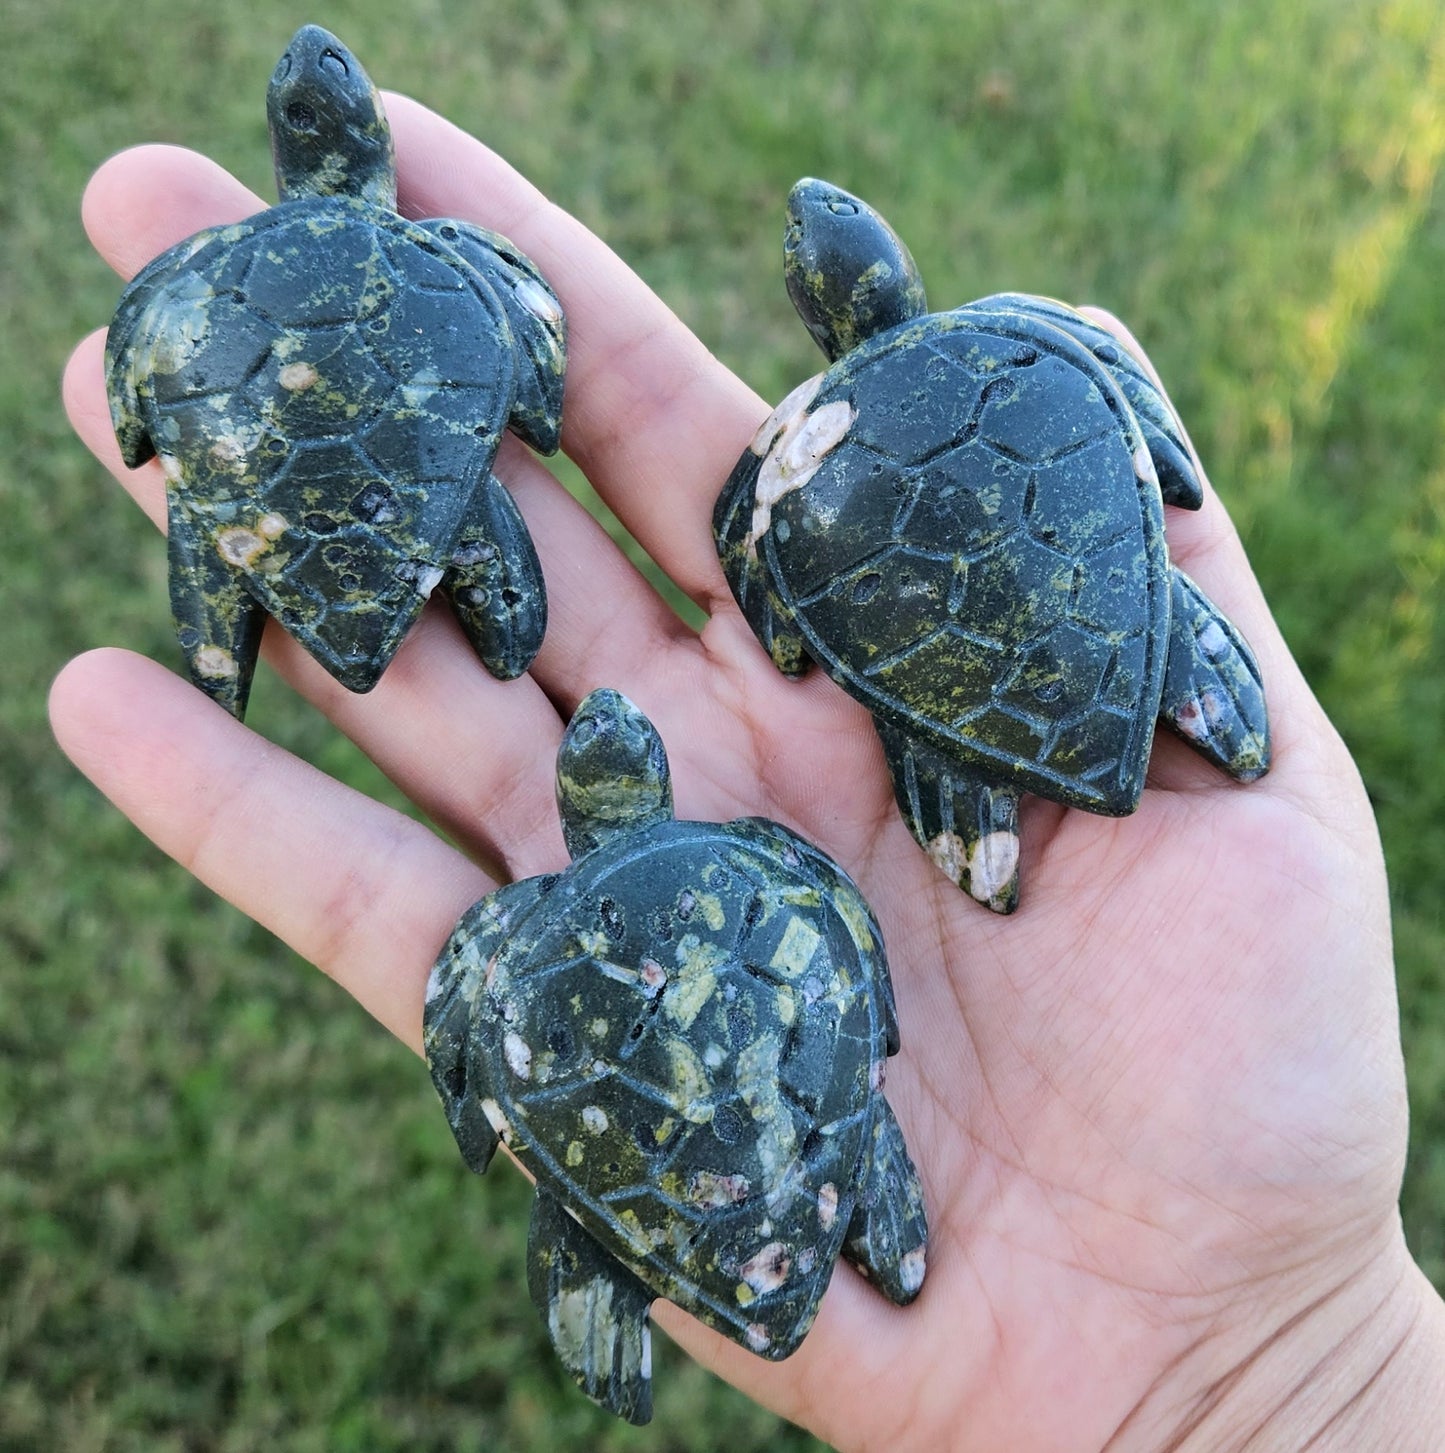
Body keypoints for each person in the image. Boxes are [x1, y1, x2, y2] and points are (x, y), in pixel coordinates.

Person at [52, 94, 1445, 1450]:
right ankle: (850, 1176)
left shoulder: (548, 918)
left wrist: (1294, 1364)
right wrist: (1297, 1381)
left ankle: (620, 1245)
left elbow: (772, 612)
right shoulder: (1032, 352)